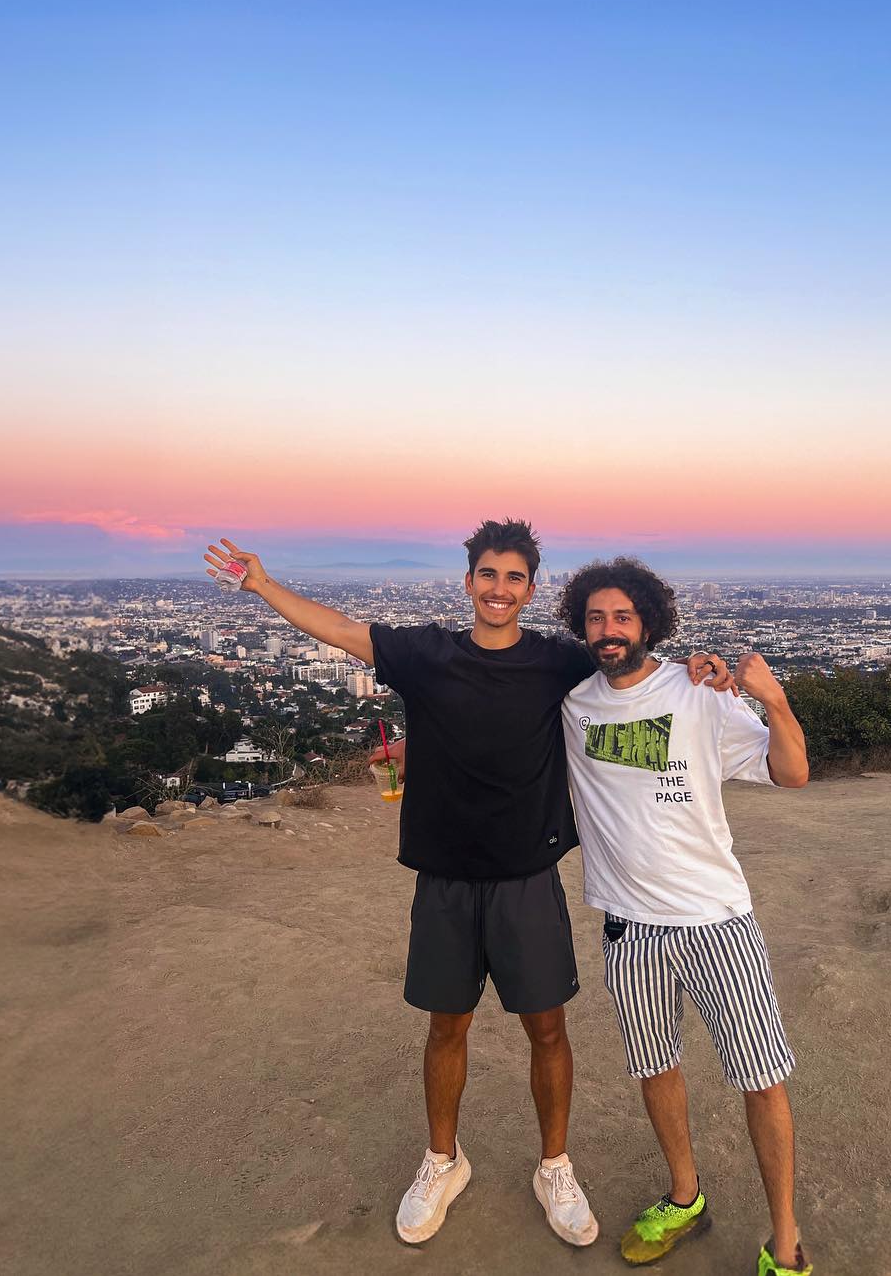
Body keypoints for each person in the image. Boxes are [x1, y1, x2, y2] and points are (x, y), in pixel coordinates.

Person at [203, 521, 728, 1248]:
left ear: (531, 589)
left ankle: (555, 1165)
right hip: (445, 876)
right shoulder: (428, 654)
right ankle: (442, 1161)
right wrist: (262, 585)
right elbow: (343, 632)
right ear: (469, 581)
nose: (499, 589)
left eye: (514, 578)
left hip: (527, 876)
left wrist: (701, 669)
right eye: (488, 574)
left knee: (548, 1029)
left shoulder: (557, 661)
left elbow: (631, 664)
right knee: (446, 1025)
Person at [555, 557, 813, 1276]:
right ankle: (684, 1195)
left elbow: (792, 772)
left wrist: (774, 700)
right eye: (596, 618)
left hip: (715, 920)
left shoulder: (698, 692)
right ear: (581, 626)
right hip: (627, 927)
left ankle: (785, 1239)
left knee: (762, 1076)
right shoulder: (573, 704)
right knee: (656, 1067)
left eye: (622, 616)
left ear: (649, 622)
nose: (609, 630)